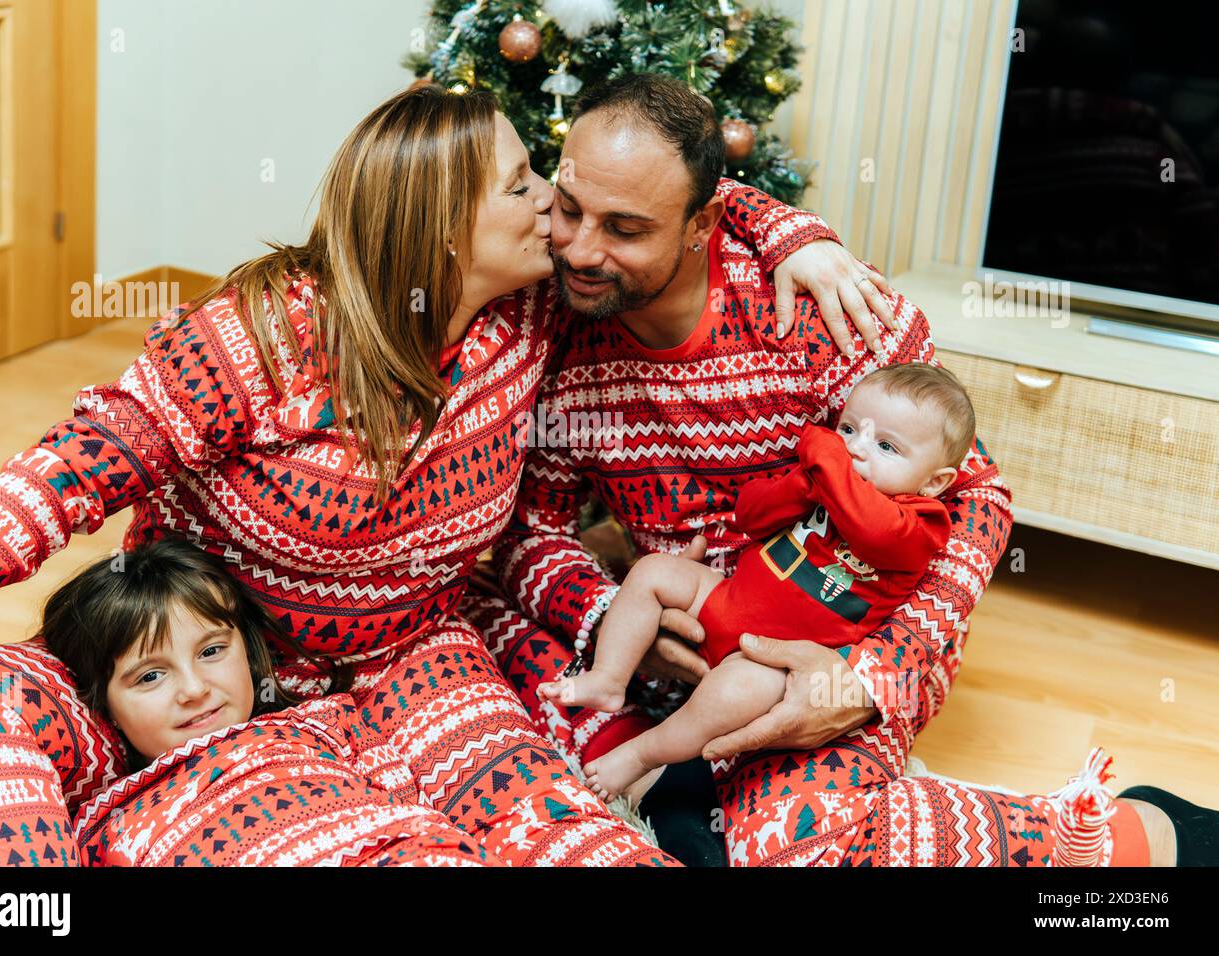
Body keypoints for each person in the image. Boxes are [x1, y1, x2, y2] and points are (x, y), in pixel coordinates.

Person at [0, 79, 875, 867]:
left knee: (563, 830)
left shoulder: (535, 312)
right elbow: (75, 464)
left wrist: (793, 231)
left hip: (415, 657)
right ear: (441, 226)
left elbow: (670, 207)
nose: (555, 204)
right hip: (192, 650)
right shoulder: (271, 332)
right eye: (522, 184)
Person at [461, 72, 1219, 867]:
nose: (580, 249)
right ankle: (681, 790)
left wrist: (868, 677)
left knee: (795, 841)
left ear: (703, 222)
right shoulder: (555, 327)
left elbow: (979, 501)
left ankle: (1139, 838)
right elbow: (526, 529)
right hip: (681, 626)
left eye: (625, 229)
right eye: (571, 211)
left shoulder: (819, 310)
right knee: (486, 648)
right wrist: (611, 615)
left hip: (838, 636)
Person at [540, 363, 967, 802]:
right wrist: (802, 486)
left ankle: (642, 756)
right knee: (653, 572)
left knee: (727, 697)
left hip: (772, 663)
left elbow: (871, 528)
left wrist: (827, 459)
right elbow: (750, 515)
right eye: (849, 428)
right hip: (725, 599)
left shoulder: (921, 523)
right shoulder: (821, 480)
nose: (855, 450)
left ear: (935, 482)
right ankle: (609, 678)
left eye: (885, 446)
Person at [42, 537, 489, 866]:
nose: (194, 689)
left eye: (212, 651)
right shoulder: (107, 824)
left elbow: (406, 801)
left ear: (248, 649)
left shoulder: (320, 724)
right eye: (151, 676)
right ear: (103, 707)